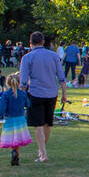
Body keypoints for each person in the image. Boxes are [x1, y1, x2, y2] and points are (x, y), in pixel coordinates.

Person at [19, 31, 67, 162]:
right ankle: (42, 151)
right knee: (47, 124)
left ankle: (43, 154)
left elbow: (23, 81)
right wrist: (64, 94)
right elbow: (62, 77)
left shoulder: (27, 58)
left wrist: (20, 96)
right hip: (52, 93)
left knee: (38, 125)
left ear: (30, 43)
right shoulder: (53, 56)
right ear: (43, 42)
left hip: (36, 93)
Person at [0, 75, 32, 166]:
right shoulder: (23, 93)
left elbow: (2, 107)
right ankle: (17, 154)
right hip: (20, 119)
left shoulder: (6, 94)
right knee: (18, 139)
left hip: (10, 119)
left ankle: (13, 152)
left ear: (7, 83)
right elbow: (28, 104)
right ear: (18, 83)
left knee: (10, 138)